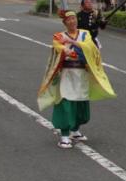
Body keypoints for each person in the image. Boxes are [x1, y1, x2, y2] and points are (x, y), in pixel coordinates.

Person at [37, 9, 116, 148]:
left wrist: (71, 42)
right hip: (67, 74)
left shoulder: (85, 34)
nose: (72, 21)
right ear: (64, 22)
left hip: (82, 74)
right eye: (69, 19)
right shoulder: (59, 36)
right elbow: (58, 47)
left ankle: (75, 129)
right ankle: (65, 134)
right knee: (66, 101)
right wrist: (65, 48)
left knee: (81, 102)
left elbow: (91, 48)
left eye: (74, 18)